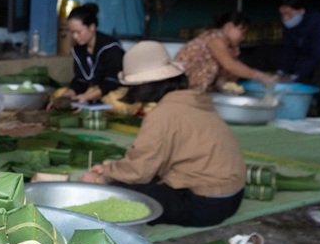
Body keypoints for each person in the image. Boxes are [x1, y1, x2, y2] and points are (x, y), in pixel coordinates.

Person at [81, 41, 246, 227]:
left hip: (205, 204)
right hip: (233, 197)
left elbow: (139, 170)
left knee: (115, 192)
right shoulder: (194, 100)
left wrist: (104, 177)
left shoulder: (164, 113)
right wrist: (112, 167)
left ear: (143, 84)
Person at [174, 11, 278, 92]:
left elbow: (223, 75)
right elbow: (230, 65)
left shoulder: (229, 47)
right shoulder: (215, 38)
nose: (243, 38)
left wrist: (225, 86)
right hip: (184, 87)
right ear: (229, 26)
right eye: (242, 32)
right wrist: (259, 76)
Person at [59, 3, 124, 104]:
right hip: (92, 90)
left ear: (92, 27)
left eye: (78, 32)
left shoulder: (111, 48)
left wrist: (87, 97)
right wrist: (70, 93)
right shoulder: (78, 49)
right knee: (60, 93)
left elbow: (111, 82)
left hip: (112, 91)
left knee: (115, 101)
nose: (75, 36)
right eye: (72, 32)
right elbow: (80, 80)